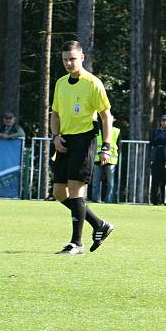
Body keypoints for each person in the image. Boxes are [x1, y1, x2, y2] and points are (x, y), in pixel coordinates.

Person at [50, 40, 115, 255]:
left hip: (84, 139)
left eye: (73, 59)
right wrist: (56, 136)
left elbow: (106, 115)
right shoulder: (60, 83)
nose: (69, 63)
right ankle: (99, 224)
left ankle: (76, 243)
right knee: (59, 192)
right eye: (65, 59)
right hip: (65, 140)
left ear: (82, 58)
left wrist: (105, 147)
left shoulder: (93, 83)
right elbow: (55, 113)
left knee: (76, 189)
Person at [91, 119, 121, 204]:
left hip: (111, 160)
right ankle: (95, 200)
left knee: (110, 183)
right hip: (97, 159)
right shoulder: (97, 131)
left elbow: (119, 146)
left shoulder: (116, 131)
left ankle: (109, 201)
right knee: (95, 182)